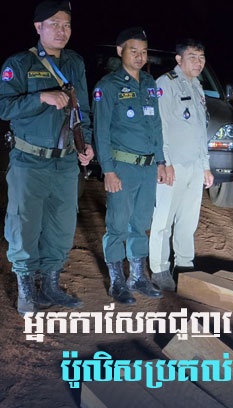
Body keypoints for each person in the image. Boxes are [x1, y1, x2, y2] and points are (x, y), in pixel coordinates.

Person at [0, 0, 95, 315]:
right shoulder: (19, 64)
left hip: (65, 161)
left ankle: (51, 284)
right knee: (24, 223)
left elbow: (82, 109)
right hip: (29, 161)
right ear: (38, 27)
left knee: (61, 223)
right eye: (54, 24)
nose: (62, 30)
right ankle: (27, 290)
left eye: (66, 24)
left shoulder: (74, 63)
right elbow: (4, 106)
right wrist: (40, 97)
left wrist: (86, 143)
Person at [93, 27, 166, 304]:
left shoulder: (149, 82)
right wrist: (108, 170)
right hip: (122, 167)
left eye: (144, 52)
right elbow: (101, 132)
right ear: (119, 51)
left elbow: (156, 125)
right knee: (118, 223)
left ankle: (138, 276)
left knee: (141, 222)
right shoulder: (108, 86)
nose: (139, 56)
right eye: (133, 51)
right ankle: (117, 281)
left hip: (148, 167)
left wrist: (161, 161)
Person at [148, 39, 214, 291]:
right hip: (173, 165)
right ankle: (160, 269)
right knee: (163, 220)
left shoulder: (197, 86)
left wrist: (205, 165)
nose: (199, 62)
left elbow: (200, 130)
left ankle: (185, 265)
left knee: (188, 221)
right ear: (179, 59)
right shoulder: (165, 84)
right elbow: (160, 126)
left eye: (202, 57)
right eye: (193, 57)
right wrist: (165, 162)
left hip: (195, 166)